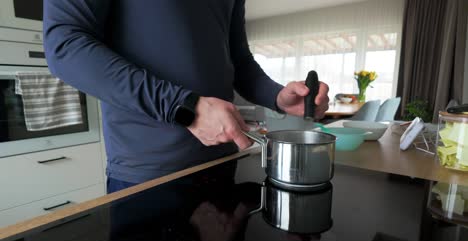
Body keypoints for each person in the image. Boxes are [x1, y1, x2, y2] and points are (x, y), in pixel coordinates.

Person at [43, 0, 330, 193]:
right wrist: (185, 108)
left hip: (222, 162)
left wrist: (277, 96)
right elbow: (65, 45)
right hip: (150, 176)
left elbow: (238, 60)